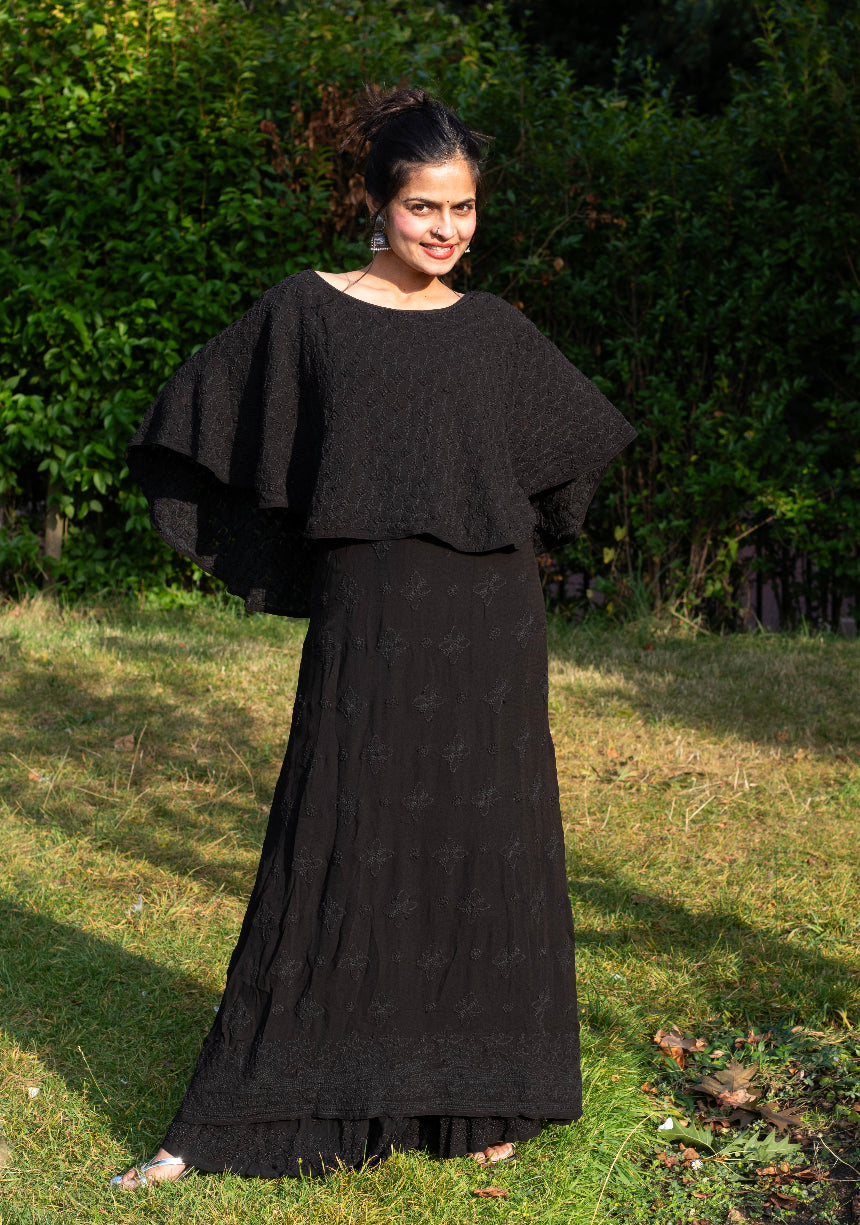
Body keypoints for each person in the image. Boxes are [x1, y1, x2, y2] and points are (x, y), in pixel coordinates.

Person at [112, 85, 636, 1190]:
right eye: (422, 209)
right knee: (336, 833)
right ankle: (230, 1116)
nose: (445, 230)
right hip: (370, 615)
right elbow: (193, 419)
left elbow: (573, 453)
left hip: (488, 624)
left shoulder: (494, 331)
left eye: (463, 210)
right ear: (373, 203)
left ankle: (486, 1093)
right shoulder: (304, 314)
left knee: (483, 849)